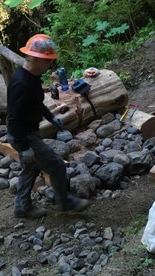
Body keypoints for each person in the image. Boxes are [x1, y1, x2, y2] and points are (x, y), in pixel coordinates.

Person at [6, 33, 91, 219]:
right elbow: (13, 119)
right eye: (47, 61)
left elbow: (37, 103)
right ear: (35, 59)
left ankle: (22, 207)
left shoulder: (33, 76)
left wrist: (51, 118)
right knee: (56, 165)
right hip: (23, 135)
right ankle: (65, 201)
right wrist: (25, 147)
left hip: (28, 132)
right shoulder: (20, 83)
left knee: (30, 168)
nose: (50, 65)